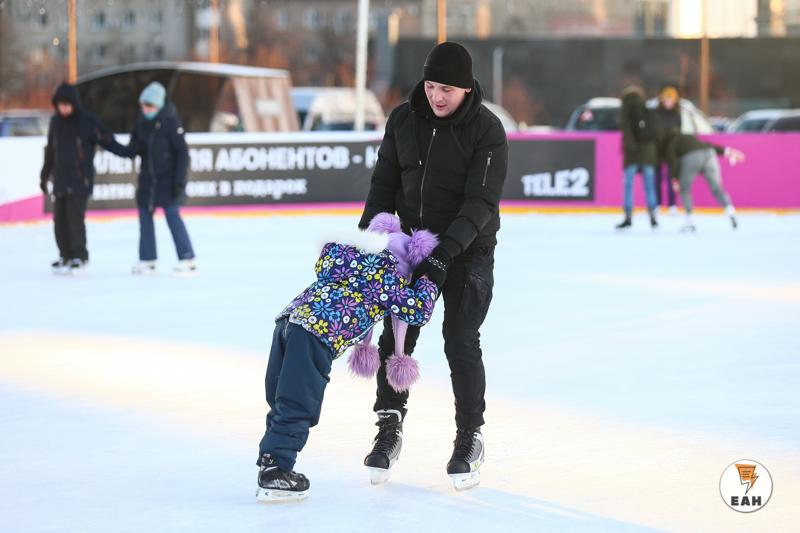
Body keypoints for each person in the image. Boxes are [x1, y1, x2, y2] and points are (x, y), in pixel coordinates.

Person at [357, 41, 508, 491]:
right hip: (412, 247)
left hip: (468, 251)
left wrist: (446, 253)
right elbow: (384, 183)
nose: (436, 96)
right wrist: (368, 240)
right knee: (396, 336)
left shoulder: (487, 130)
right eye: (429, 85)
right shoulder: (404, 120)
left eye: (446, 88)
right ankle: (388, 426)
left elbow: (480, 202)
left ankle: (469, 438)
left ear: (465, 88)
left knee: (460, 340)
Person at [256, 213, 440, 502]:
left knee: (281, 396)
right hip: (317, 334)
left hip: (287, 324)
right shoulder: (386, 278)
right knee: (298, 401)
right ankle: (277, 471)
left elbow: (323, 261)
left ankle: (271, 459)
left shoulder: (346, 258)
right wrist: (427, 282)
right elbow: (417, 311)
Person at [40, 82, 126, 274]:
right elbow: (50, 151)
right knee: (59, 221)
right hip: (61, 180)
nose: (63, 108)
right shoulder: (56, 122)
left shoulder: (87, 121)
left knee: (74, 219)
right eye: (60, 105)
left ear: (74, 104)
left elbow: (107, 140)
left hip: (80, 180)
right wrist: (44, 175)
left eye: (67, 104)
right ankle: (65, 255)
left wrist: (129, 152)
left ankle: (80, 256)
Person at [115, 82, 196, 275]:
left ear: (158, 106)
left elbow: (183, 154)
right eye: (143, 105)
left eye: (149, 106)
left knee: (172, 217)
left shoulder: (171, 123)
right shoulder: (142, 123)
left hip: (169, 182)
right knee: (145, 218)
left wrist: (179, 182)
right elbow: (132, 150)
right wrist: (109, 143)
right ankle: (147, 259)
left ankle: (188, 258)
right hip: (148, 183)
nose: (145, 109)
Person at [662, 131, 744, 232]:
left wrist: (674, 179)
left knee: (685, 190)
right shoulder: (688, 136)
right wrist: (727, 151)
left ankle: (689, 222)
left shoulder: (670, 143)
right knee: (717, 188)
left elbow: (672, 160)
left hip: (691, 158)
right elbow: (708, 145)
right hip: (709, 154)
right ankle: (730, 211)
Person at [616, 85, 659, 229]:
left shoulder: (626, 109)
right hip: (648, 151)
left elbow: (625, 130)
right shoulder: (647, 108)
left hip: (632, 152)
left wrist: (630, 146)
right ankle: (653, 215)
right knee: (649, 185)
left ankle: (628, 216)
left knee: (628, 185)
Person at [654, 85, 682, 212]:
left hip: (671, 150)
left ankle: (672, 204)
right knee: (657, 178)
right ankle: (658, 203)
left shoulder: (677, 113)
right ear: (662, 99)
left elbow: (678, 131)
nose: (668, 101)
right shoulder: (657, 112)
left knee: (672, 177)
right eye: (666, 99)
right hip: (659, 149)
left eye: (671, 99)